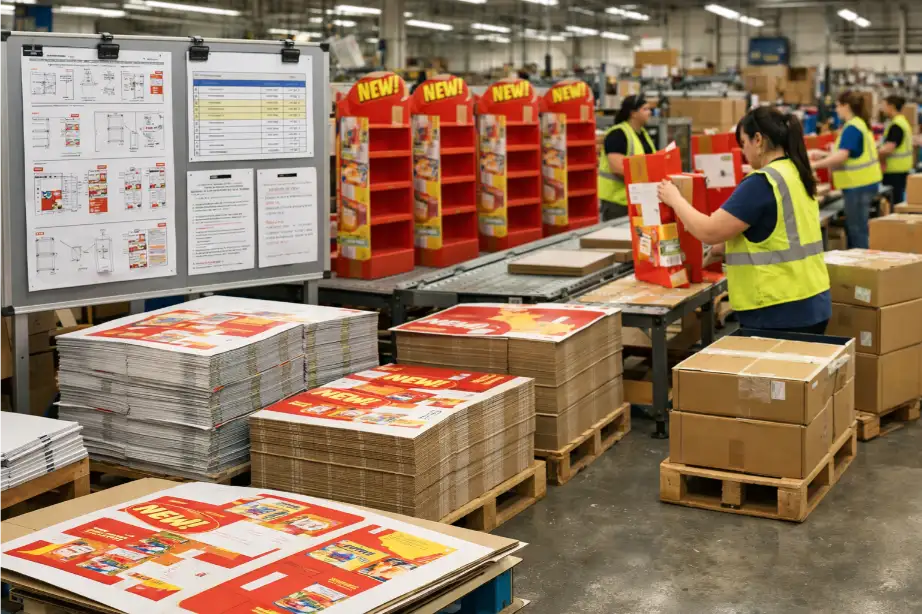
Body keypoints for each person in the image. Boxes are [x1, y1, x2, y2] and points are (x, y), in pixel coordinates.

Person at [657, 107, 831, 334]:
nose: (743, 152)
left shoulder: (761, 183)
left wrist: (674, 199)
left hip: (779, 311)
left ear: (758, 140)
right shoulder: (796, 172)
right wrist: (725, 247)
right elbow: (776, 231)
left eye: (743, 143)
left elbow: (709, 231)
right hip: (812, 302)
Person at [811, 91, 882, 249]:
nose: (836, 110)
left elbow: (842, 156)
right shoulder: (859, 123)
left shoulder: (852, 127)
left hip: (858, 185)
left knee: (857, 230)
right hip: (864, 183)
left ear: (846, 106)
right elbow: (852, 153)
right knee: (858, 228)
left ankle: (861, 268)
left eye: (838, 106)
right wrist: (823, 155)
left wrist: (814, 166)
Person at [598, 95, 656, 221]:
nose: (650, 113)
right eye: (645, 109)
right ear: (633, 113)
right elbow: (617, 168)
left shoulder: (643, 135)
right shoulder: (618, 134)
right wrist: (648, 177)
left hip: (639, 200)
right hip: (618, 203)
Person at [878, 94, 913, 203]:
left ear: (891, 106)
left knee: (894, 203)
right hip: (902, 169)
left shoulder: (896, 125)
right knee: (898, 200)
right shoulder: (902, 122)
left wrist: (877, 157)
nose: (882, 108)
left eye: (884, 105)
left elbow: (888, 148)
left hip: (893, 171)